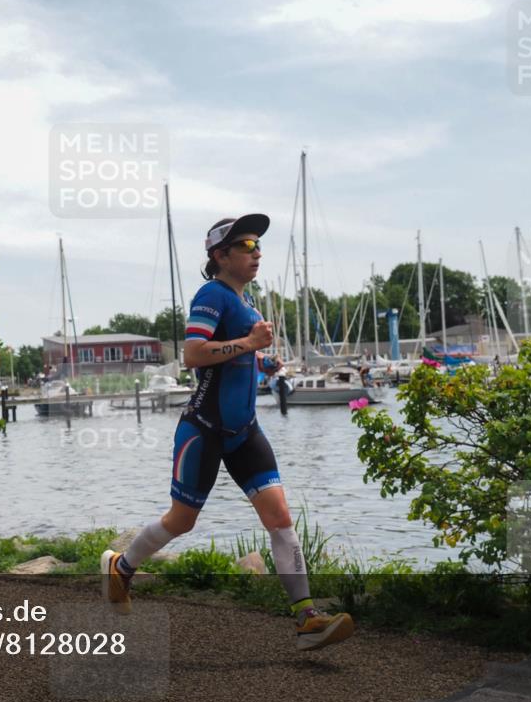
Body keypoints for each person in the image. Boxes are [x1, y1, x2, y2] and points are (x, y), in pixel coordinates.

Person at [101, 215, 354, 651]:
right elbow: (193, 355)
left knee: (280, 519)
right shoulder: (211, 295)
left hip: (244, 431)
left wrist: (261, 362)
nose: (257, 252)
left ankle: (307, 619)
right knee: (182, 520)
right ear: (220, 255)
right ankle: (121, 568)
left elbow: (236, 359)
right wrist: (251, 345)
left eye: (258, 245)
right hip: (205, 430)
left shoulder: (247, 300)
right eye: (247, 245)